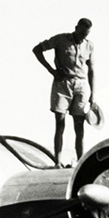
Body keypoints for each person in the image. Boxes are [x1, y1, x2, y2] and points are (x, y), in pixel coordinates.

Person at [32, 17, 95, 165]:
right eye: (81, 33)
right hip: (62, 84)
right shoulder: (61, 39)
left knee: (79, 126)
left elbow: (91, 69)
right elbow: (37, 49)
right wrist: (51, 71)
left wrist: (93, 94)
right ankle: (58, 162)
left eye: (86, 35)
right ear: (76, 28)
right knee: (60, 123)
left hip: (81, 84)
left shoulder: (89, 46)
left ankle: (80, 162)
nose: (82, 37)